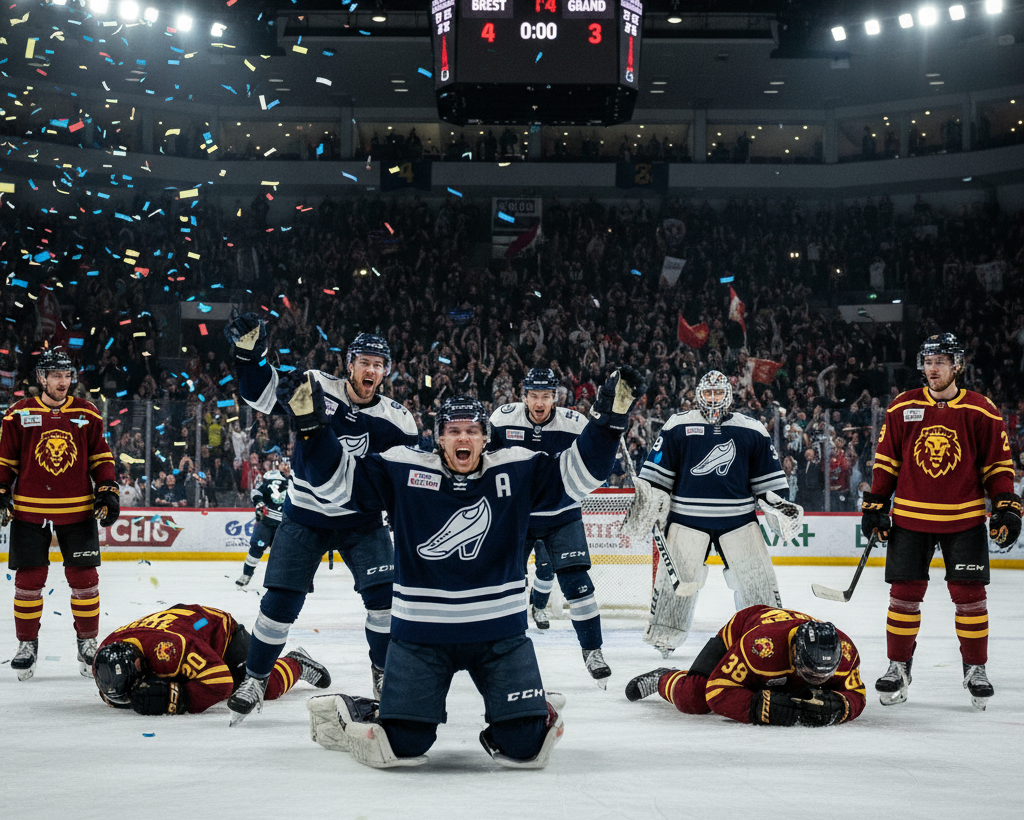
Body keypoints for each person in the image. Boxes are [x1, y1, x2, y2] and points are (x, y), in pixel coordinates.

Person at [301, 369, 645, 769]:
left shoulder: (517, 468)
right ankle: (358, 709)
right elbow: (336, 483)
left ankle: (528, 708)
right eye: (453, 431)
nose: (463, 438)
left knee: (525, 747)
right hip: (420, 638)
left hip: (500, 638)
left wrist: (607, 422)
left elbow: (580, 474)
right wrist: (312, 428)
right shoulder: (402, 468)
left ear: (486, 437)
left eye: (472, 431)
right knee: (403, 743)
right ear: (439, 438)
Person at [223, 315, 418, 724]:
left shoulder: (399, 419)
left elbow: (404, 483)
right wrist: (249, 356)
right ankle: (256, 678)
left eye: (378, 364)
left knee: (385, 602)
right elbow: (261, 393)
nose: (370, 370)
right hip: (305, 516)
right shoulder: (315, 384)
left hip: (362, 521)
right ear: (349, 364)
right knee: (279, 604)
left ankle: (384, 673)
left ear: (386, 371)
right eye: (363, 362)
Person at [861, 333, 1021, 710]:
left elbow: (998, 466)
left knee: (970, 599)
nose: (932, 369)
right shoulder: (903, 406)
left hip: (964, 519)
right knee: (903, 597)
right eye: (928, 362)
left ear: (957, 366)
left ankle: (975, 668)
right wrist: (876, 505)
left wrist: (1006, 506)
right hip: (910, 518)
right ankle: (898, 666)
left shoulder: (981, 410)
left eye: (941, 362)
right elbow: (887, 462)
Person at [622, 370, 801, 657]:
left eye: (718, 393)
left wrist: (776, 506)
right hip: (687, 519)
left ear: (728, 396)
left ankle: (766, 633)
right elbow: (657, 478)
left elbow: (767, 485)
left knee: (756, 581)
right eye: (708, 393)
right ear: (698, 395)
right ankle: (665, 634)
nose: (713, 399)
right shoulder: (678, 425)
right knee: (676, 582)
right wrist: (652, 501)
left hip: (739, 520)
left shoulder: (752, 429)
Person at [0, 348, 119, 680]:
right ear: (42, 378)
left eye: (67, 375)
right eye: (55, 376)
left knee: (85, 580)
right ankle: (27, 644)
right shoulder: (18, 414)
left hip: (77, 509)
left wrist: (107, 489)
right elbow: (5, 460)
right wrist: (1, 491)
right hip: (30, 510)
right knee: (28, 582)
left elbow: (101, 457)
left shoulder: (87, 412)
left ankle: (87, 641)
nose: (63, 382)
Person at [488, 367, 610, 686]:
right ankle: (503, 650)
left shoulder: (575, 423)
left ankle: (593, 650)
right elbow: (486, 463)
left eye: (545, 396)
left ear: (556, 397)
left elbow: (594, 460)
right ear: (524, 396)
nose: (539, 402)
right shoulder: (502, 419)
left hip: (562, 512)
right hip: (516, 516)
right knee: (506, 585)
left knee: (578, 584)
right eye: (533, 395)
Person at [624, 604, 865, 727]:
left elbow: (857, 694)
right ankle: (663, 677)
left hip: (778, 646)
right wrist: (756, 707)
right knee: (694, 697)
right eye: (809, 672)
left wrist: (843, 706)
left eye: (823, 676)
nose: (816, 681)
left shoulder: (846, 653)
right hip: (743, 629)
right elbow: (717, 692)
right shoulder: (759, 646)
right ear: (795, 651)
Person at [92, 603, 330, 715]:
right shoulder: (105, 652)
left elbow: (221, 683)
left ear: (140, 664)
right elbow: (111, 689)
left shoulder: (171, 649)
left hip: (218, 632)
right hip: (181, 628)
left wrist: (179, 699)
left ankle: (297, 662)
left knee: (261, 687)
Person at [236, 467, 288, 587]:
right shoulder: (290, 483)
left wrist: (259, 502)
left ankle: (246, 575)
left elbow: (255, 493)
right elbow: (256, 493)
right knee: (282, 553)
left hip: (273, 523)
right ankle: (283, 580)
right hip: (278, 524)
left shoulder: (285, 482)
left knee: (258, 548)